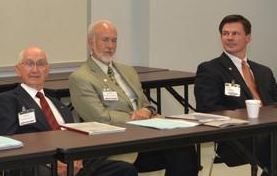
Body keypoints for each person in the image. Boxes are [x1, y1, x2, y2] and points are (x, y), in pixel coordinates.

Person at [69, 20, 198, 176]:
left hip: (144, 138)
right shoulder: (81, 77)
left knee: (184, 147)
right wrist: (135, 117)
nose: (110, 46)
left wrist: (147, 111)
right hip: (115, 146)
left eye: (114, 40)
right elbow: (100, 117)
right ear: (91, 43)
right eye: (105, 40)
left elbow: (146, 103)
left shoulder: (127, 71)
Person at [0, 46, 137, 176]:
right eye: (29, 64)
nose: (35, 69)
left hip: (72, 161)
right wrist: (50, 162)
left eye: (41, 64)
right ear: (18, 70)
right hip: (39, 164)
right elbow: (6, 142)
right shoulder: (7, 100)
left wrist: (76, 157)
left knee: (124, 169)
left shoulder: (58, 104)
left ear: (47, 70)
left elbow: (72, 136)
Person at [195, 14, 276, 172]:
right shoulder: (210, 69)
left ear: (248, 37)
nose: (229, 38)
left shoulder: (263, 71)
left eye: (235, 33)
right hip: (237, 136)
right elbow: (207, 109)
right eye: (225, 34)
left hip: (268, 129)